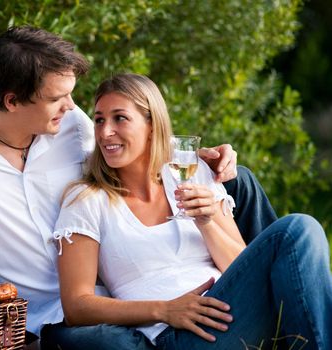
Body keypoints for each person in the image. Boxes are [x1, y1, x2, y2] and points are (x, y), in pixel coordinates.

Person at [0, 26, 276, 347]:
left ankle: (276, 298)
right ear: (12, 101)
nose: (71, 106)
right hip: (45, 316)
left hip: (115, 291)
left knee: (239, 179)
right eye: (57, 98)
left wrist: (203, 158)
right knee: (107, 342)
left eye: (71, 94)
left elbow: (131, 140)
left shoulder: (73, 125)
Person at [47, 73, 332, 349]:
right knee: (297, 229)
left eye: (119, 118)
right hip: (181, 334)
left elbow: (239, 267)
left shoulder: (192, 175)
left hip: (236, 310)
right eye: (99, 120)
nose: (105, 131)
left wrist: (207, 222)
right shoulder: (87, 199)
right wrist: (165, 310)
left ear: (151, 126)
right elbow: (77, 306)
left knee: (301, 230)